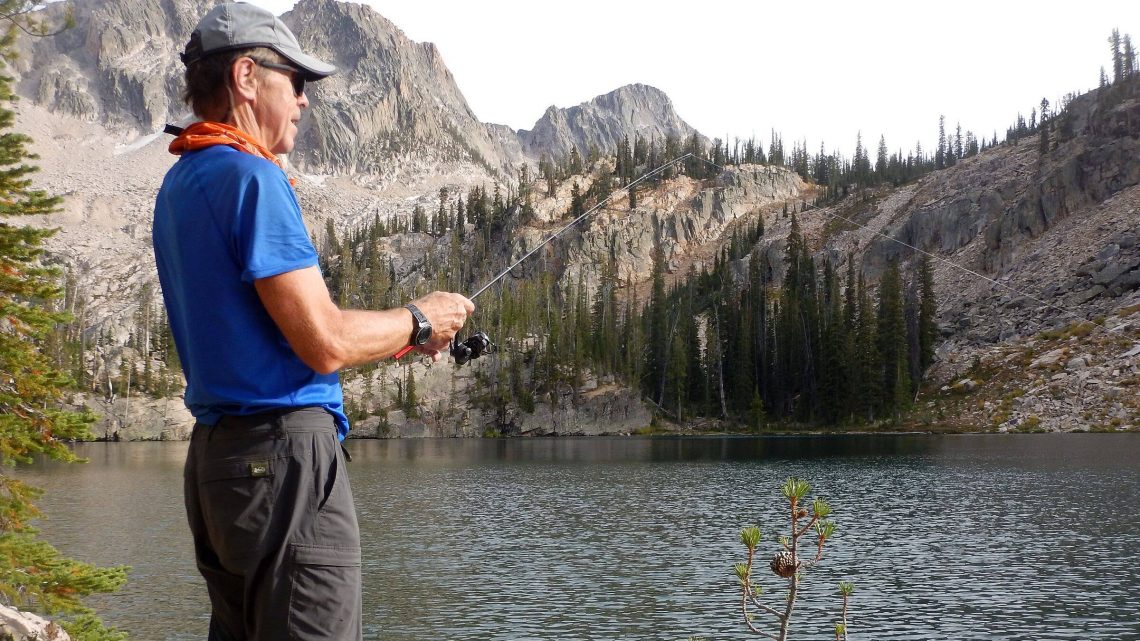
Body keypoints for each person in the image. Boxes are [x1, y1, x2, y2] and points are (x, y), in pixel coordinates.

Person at [152, 4, 474, 640]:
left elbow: (266, 335)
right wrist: (420, 318)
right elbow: (323, 341)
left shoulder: (183, 179)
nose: (303, 102)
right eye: (294, 83)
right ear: (247, 77)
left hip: (219, 466)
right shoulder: (251, 176)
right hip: (283, 462)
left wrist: (397, 335)